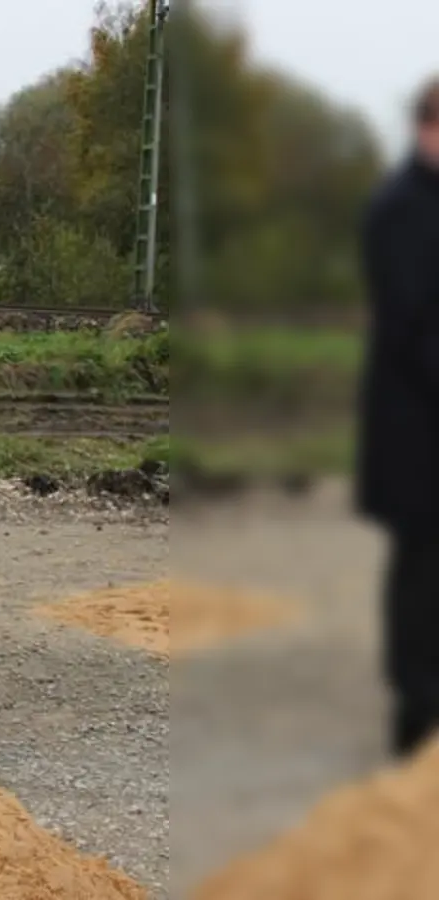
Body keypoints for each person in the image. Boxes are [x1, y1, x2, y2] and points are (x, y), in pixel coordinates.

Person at [354, 75, 439, 760]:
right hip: (415, 431)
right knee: (420, 572)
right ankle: (416, 715)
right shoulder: (402, 208)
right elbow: (414, 328)